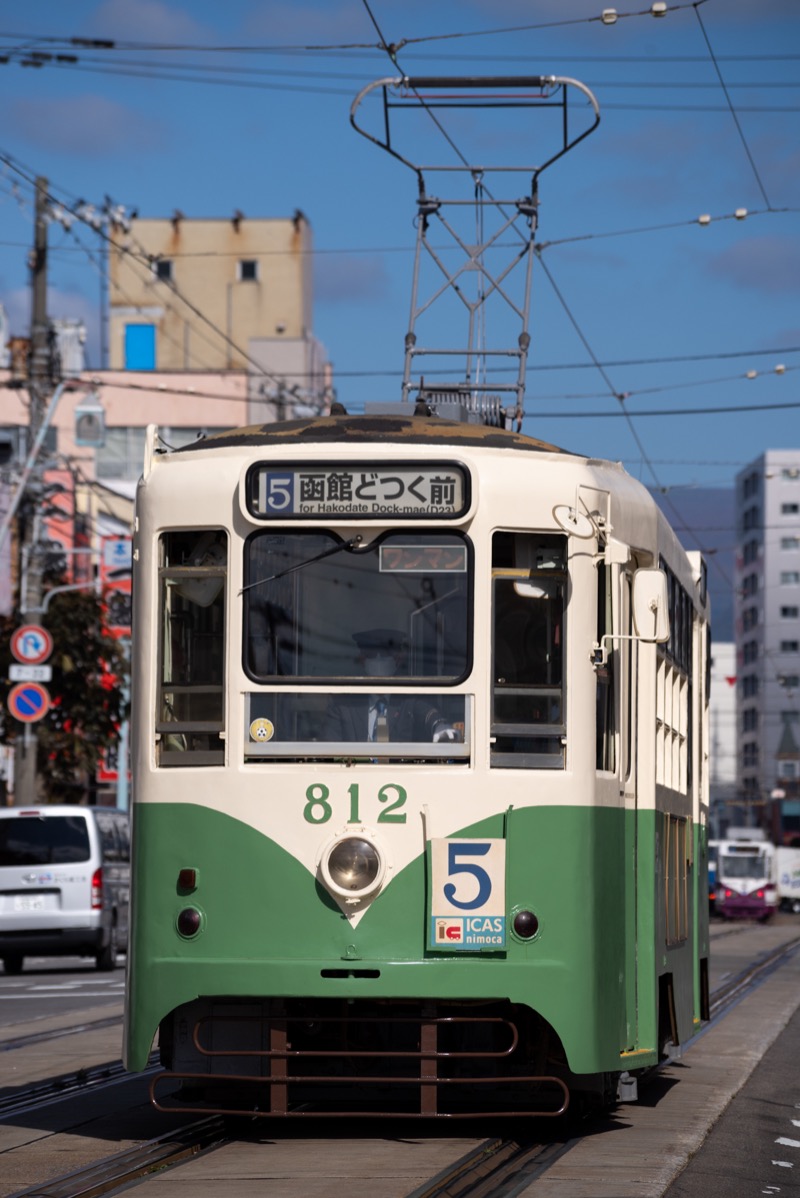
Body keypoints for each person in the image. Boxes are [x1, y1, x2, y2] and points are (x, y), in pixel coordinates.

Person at [323, 628, 460, 744]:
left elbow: (428, 713)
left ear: (398, 658)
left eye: (385, 653)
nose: (378, 658)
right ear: (362, 659)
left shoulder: (411, 698)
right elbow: (330, 747)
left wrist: (439, 725)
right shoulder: (343, 704)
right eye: (372, 654)